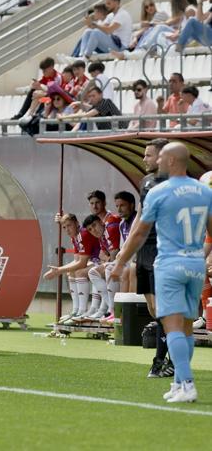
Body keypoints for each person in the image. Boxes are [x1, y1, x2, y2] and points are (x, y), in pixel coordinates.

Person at [112, 142, 212, 403]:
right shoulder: (204, 191)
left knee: (171, 325)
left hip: (169, 263)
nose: (155, 163)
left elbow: (140, 231)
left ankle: (188, 384)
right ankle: (179, 382)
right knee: (187, 328)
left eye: (160, 159)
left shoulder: (159, 191)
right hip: (195, 264)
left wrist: (121, 261)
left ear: (170, 162)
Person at [130, 138, 174, 378]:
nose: (144, 159)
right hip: (143, 249)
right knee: (153, 308)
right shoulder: (145, 182)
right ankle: (168, 357)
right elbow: (140, 215)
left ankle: (161, 361)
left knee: (163, 308)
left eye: (148, 155)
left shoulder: (173, 183)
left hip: (161, 249)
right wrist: (127, 245)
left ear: (161, 157)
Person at [44, 213, 99, 323]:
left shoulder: (83, 234)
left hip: (99, 261)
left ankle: (83, 311)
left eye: (69, 226)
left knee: (78, 272)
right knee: (71, 273)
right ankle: (76, 310)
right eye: (64, 227)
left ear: (77, 223)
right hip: (93, 262)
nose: (67, 230)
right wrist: (59, 269)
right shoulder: (75, 237)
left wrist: (58, 271)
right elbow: (76, 260)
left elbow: (82, 263)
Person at [59, 86, 124, 131]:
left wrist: (65, 117)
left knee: (85, 119)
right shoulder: (95, 106)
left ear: (101, 95)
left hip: (121, 132)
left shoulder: (106, 102)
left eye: (93, 96)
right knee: (84, 122)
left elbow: (86, 115)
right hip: (108, 134)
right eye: (90, 96)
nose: (91, 98)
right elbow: (83, 118)